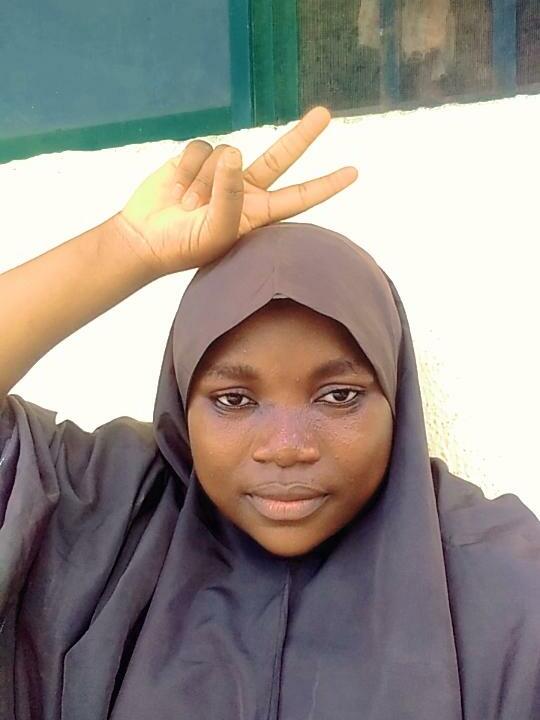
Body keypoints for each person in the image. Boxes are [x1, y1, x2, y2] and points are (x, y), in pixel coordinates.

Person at [0, 106, 539, 719]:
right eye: (234, 400)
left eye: (338, 396)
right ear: (182, 401)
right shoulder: (105, 514)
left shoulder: (500, 581)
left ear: (396, 395)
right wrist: (128, 246)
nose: (286, 447)